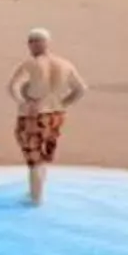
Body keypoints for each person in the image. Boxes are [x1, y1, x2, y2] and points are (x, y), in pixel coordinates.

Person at [7, 26, 86, 206]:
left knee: (34, 158)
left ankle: (36, 198)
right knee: (43, 156)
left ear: (32, 44)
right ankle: (36, 191)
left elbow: (14, 87)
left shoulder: (30, 64)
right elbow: (81, 89)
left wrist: (23, 103)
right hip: (56, 114)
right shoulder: (65, 64)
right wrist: (64, 104)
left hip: (34, 116)